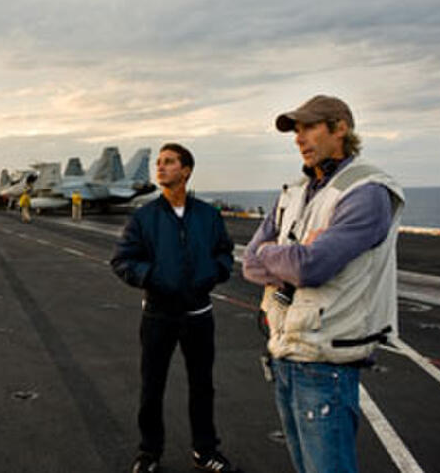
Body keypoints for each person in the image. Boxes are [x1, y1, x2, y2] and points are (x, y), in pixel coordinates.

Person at [242, 95, 404, 473]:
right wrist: (283, 254)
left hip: (326, 361)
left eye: (310, 127)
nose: (299, 138)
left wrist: (275, 253)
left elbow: (311, 268)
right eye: (296, 131)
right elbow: (249, 264)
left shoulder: (366, 191)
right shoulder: (295, 191)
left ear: (340, 128)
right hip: (286, 352)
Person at [111, 143, 239, 473]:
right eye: (159, 162)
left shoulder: (208, 215)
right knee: (152, 387)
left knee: (202, 387)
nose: (161, 167)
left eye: (169, 162)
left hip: (198, 315)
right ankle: (149, 453)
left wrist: (213, 273)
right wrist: (154, 277)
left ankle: (205, 451)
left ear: (186, 170)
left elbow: (225, 253)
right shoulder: (144, 217)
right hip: (158, 315)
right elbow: (122, 260)